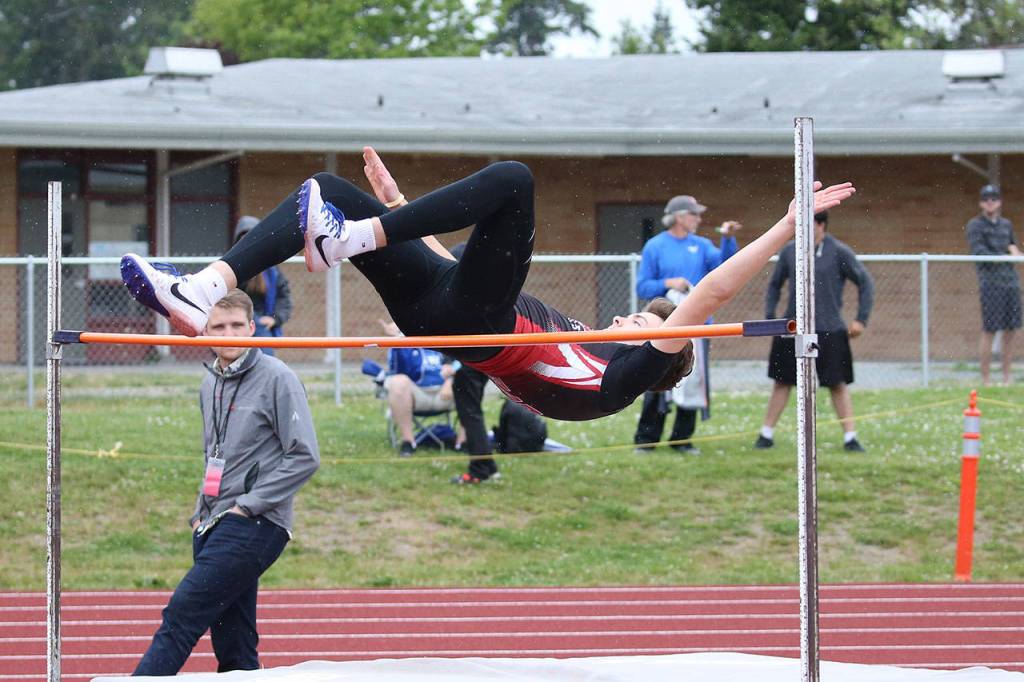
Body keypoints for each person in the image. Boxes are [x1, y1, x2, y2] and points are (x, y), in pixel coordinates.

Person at [120, 147, 856, 423]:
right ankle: (204, 284)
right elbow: (460, 274)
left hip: (467, 325)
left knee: (514, 181)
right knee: (329, 189)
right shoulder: (578, 339)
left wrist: (786, 225)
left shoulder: (619, 375)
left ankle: (355, 236)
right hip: (446, 313)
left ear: (659, 347)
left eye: (642, 317)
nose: (630, 314)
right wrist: (403, 206)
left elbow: (710, 296)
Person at [133, 290, 320, 676]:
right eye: (219, 326)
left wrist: (248, 505)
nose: (230, 333)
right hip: (212, 522)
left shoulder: (278, 379)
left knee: (180, 617)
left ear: (252, 328)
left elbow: (304, 456)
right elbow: (213, 454)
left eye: (238, 325)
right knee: (234, 645)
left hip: (255, 522)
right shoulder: (210, 382)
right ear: (206, 330)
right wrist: (200, 513)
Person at [754, 210, 874, 453]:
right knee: (782, 381)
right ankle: (766, 434)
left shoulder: (839, 251)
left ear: (820, 226)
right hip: (793, 328)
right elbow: (775, 285)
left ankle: (850, 437)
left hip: (829, 329)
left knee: (837, 383)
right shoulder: (789, 251)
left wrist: (861, 319)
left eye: (807, 225)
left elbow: (865, 282)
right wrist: (771, 317)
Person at [634, 196, 741, 454]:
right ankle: (647, 440)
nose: (699, 219)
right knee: (656, 378)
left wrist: (727, 238)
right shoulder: (655, 246)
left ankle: (682, 440)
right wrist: (669, 283)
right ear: (680, 216)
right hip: (664, 325)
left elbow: (727, 265)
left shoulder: (702, 245)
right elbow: (643, 286)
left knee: (691, 379)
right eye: (694, 214)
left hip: (697, 326)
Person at [448, 242, 500, 485]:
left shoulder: (468, 291)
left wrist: (455, 365)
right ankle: (486, 463)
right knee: (472, 411)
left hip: (472, 360)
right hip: (481, 357)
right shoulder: (487, 282)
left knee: (470, 413)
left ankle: (481, 468)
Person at [966, 184, 1021, 385]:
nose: (990, 202)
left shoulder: (1006, 225)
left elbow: (1013, 247)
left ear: (999, 202)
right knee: (990, 330)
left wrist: (1014, 253)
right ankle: (986, 379)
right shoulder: (975, 225)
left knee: (1011, 330)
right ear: (981, 203)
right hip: (991, 284)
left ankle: (1007, 377)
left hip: (1011, 283)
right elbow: (980, 255)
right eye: (986, 199)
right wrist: (1006, 256)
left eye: (994, 198)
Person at [378, 319, 456, 457]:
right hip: (417, 395)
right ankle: (409, 442)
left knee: (469, 379)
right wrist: (397, 339)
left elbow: (464, 362)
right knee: (398, 382)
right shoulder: (404, 339)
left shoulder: (445, 330)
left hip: (447, 392)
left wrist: (450, 381)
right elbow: (400, 369)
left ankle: (464, 442)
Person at [232, 216, 293, 355]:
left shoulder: (272, 271)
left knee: (266, 362)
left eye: (252, 237)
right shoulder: (231, 269)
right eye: (244, 238)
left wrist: (274, 318)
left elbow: (284, 298)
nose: (248, 242)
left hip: (262, 325)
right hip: (238, 323)